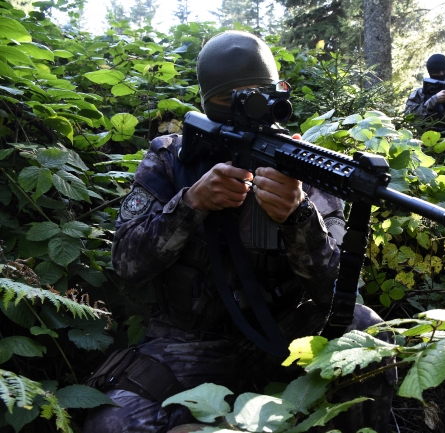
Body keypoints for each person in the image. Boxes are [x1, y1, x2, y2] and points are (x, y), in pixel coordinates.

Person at [82, 30, 395, 433]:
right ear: (207, 105)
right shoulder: (170, 159)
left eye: (260, 98)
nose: (247, 112)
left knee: (364, 331)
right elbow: (126, 264)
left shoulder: (302, 167)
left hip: (284, 335)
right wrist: (191, 203)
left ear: (278, 95)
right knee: (110, 424)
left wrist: (298, 216)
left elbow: (337, 292)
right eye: (229, 103)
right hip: (188, 342)